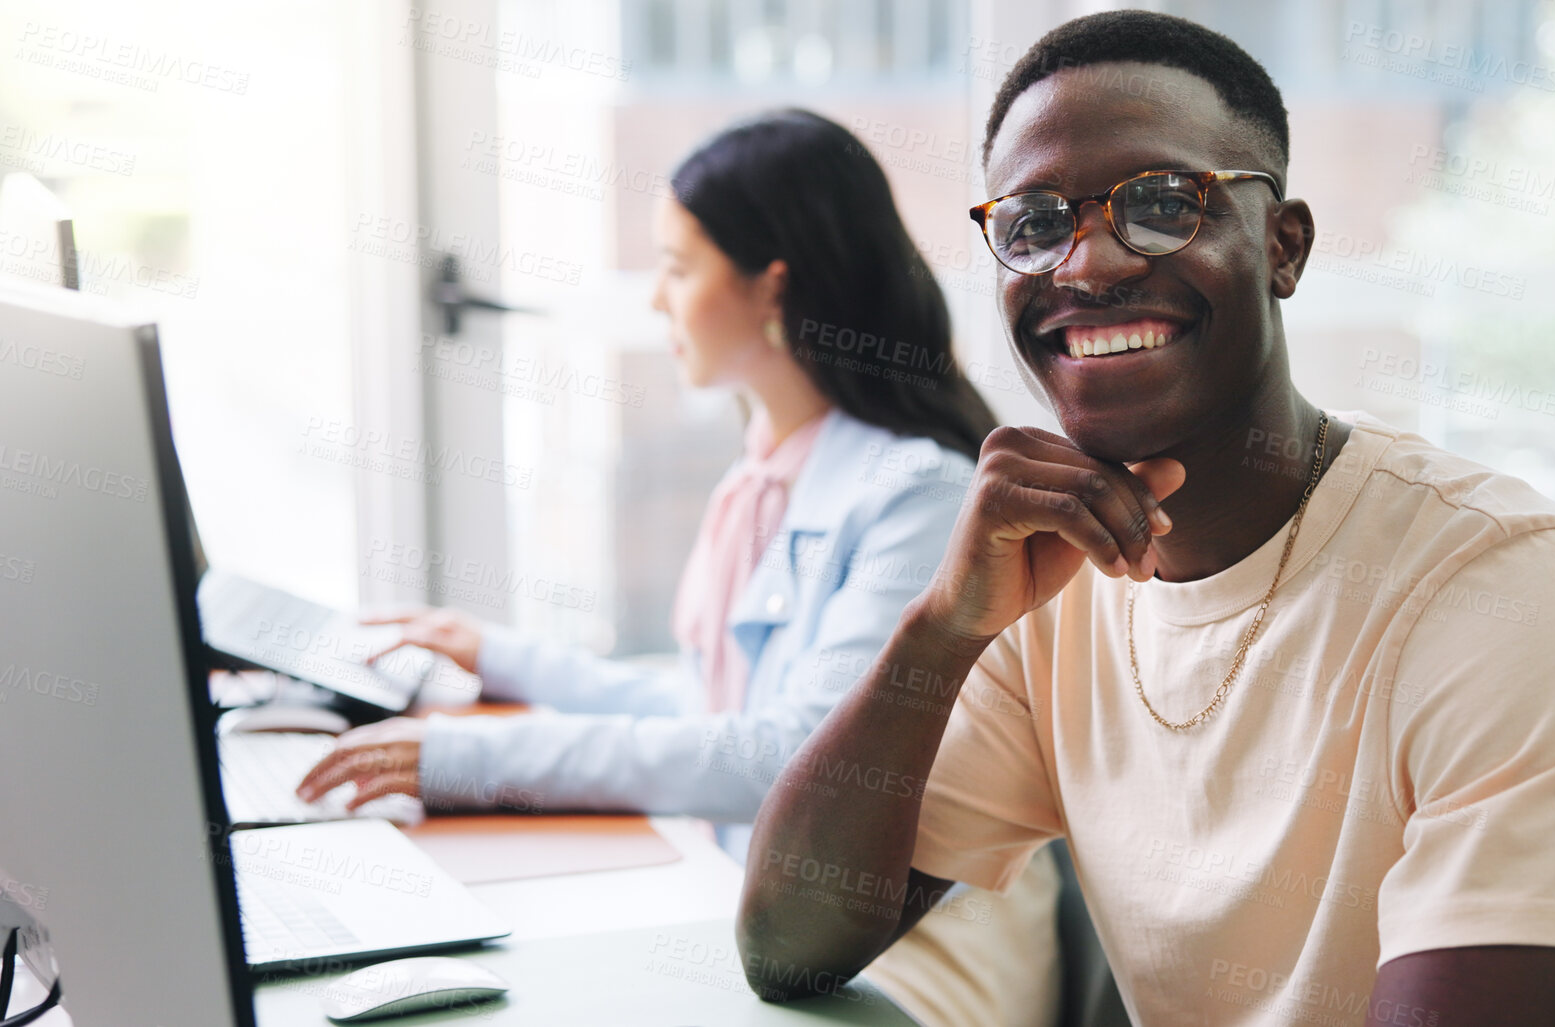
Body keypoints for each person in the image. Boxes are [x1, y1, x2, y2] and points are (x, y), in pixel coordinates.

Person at [736, 13, 1555, 1027]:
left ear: (1284, 247)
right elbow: (789, 946)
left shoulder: (1507, 591)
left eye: (1162, 205)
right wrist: (942, 628)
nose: (1089, 263)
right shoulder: (1050, 590)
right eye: (1033, 222)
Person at [295, 109, 1062, 1027]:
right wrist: (500, 658)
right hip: (765, 915)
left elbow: (780, 756)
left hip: (897, 952)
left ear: (771, 286)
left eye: (676, 265)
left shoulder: (918, 493)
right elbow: (714, 715)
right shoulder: (766, 470)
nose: (657, 301)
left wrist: (467, 757)